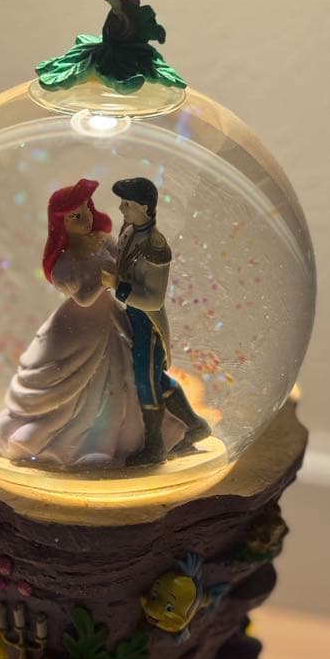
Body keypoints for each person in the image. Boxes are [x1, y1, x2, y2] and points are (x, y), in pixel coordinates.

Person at [0, 179, 181, 468]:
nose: (85, 218)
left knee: (117, 378)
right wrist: (106, 280)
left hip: (111, 321)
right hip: (77, 327)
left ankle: (112, 438)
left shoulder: (105, 240)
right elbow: (84, 298)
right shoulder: (64, 262)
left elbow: (124, 270)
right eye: (75, 216)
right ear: (61, 224)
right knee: (72, 380)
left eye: (87, 210)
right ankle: (62, 439)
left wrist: (118, 279)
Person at [102, 177, 211, 465]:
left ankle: (154, 446)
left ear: (144, 207)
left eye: (127, 204)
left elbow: (153, 300)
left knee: (145, 381)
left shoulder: (156, 247)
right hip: (130, 315)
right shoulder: (128, 231)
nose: (121, 208)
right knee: (154, 377)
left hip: (147, 322)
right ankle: (195, 425)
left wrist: (117, 286)